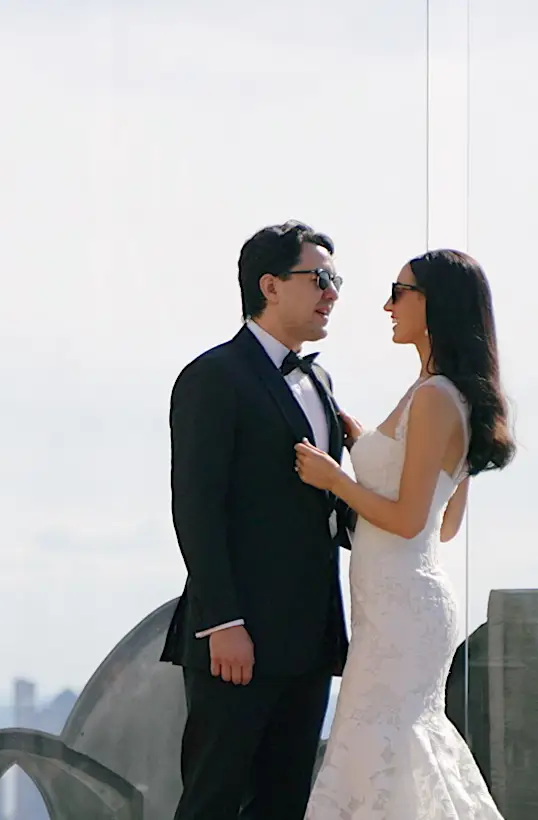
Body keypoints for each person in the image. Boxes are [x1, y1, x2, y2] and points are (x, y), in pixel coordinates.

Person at [296, 249, 516, 819]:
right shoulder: (444, 394)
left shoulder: (436, 397)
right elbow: (446, 523)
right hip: (401, 603)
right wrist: (363, 444)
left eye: (399, 292)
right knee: (386, 753)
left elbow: (410, 520)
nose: (387, 306)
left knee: (381, 749)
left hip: (400, 610)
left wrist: (335, 479)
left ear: (435, 303)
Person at [163, 220, 357, 819]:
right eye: (319, 278)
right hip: (237, 636)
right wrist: (224, 621)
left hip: (310, 636)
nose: (332, 293)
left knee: (285, 803)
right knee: (213, 800)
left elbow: (325, 508)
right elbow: (196, 506)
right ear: (269, 286)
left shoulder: (320, 380)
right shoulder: (213, 376)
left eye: (336, 280)